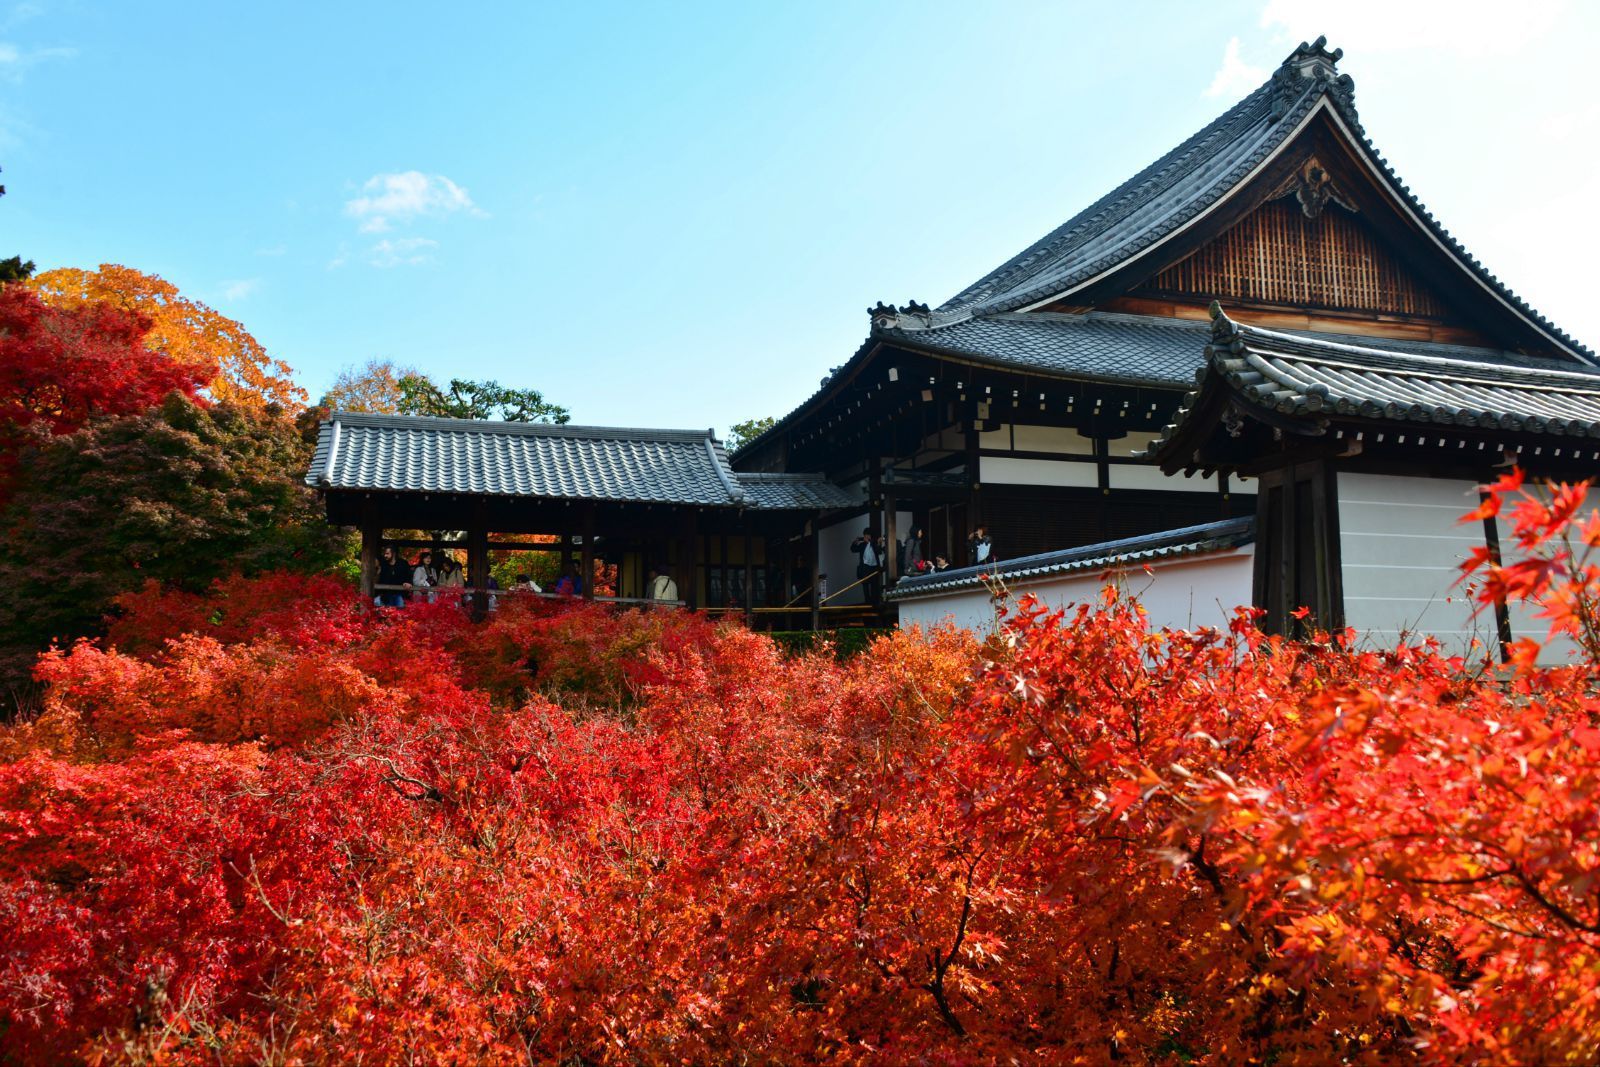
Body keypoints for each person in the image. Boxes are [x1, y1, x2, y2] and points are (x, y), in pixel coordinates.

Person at [850, 528, 884, 601]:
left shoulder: (874, 543)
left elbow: (879, 551)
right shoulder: (862, 545)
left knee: (874, 585)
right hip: (865, 567)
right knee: (865, 585)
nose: (866, 537)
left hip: (874, 567)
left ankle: (874, 601)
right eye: (865, 535)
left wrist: (877, 543)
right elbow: (853, 549)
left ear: (870, 536)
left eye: (867, 535)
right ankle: (867, 601)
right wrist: (855, 542)